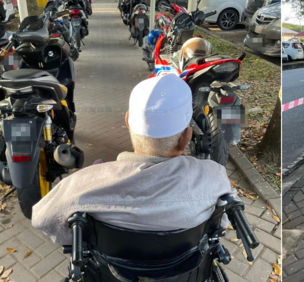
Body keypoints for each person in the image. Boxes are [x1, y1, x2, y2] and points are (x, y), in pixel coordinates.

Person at [31, 74, 236, 245]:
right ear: (186, 137)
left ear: (128, 121)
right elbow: (223, 221)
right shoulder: (213, 177)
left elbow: (41, 218)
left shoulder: (83, 183)